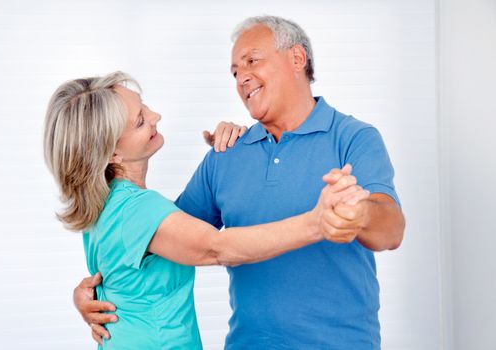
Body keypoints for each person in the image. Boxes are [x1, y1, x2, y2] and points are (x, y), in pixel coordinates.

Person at [76, 16, 405, 349]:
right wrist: (95, 292)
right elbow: (164, 244)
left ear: (296, 59)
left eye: (252, 60)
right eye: (235, 71)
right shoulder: (226, 154)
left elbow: (391, 232)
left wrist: (358, 214)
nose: (242, 77)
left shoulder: (353, 138)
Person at [44, 71, 368, 349]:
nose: (155, 115)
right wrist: (317, 223)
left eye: (144, 106)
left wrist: (235, 144)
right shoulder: (137, 209)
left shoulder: (104, 202)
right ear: (112, 151)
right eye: (140, 120)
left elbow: (124, 272)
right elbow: (217, 248)